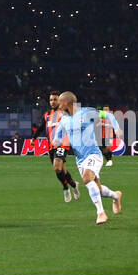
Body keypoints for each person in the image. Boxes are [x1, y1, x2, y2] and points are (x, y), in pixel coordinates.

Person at [54, 92, 122, 225]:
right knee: (99, 190)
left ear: (67, 103)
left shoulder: (87, 113)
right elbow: (59, 133)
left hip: (93, 154)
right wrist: (57, 139)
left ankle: (101, 213)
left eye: (60, 102)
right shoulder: (64, 119)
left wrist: (117, 128)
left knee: (86, 178)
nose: (58, 105)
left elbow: (107, 115)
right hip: (80, 159)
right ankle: (115, 195)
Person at [44, 92, 79, 202]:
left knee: (57, 167)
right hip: (51, 146)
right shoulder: (47, 115)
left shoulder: (65, 112)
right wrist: (34, 138)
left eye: (55, 99)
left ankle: (65, 189)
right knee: (61, 170)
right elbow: (42, 127)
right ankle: (74, 185)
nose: (52, 102)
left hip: (63, 143)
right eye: (51, 100)